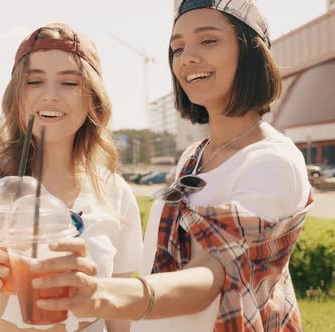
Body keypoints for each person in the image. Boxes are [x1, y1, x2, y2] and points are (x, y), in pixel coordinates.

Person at [28, 1, 314, 331]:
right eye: (177, 48)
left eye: (208, 41)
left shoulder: (273, 161)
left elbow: (210, 275)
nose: (187, 58)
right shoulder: (193, 157)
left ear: (250, 51)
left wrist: (104, 293)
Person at [0, 23, 142, 332]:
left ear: (92, 98)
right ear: (16, 93)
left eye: (70, 83)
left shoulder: (116, 192)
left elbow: (120, 315)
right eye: (34, 81)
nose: (50, 96)